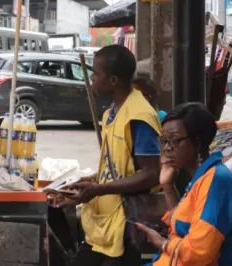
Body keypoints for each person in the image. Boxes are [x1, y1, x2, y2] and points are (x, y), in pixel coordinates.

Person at [52, 45, 162, 266]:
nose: (92, 79)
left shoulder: (139, 116)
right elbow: (120, 167)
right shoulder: (111, 112)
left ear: (113, 80)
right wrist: (92, 180)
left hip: (127, 224)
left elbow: (152, 175)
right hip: (105, 222)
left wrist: (98, 189)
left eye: (96, 74)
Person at [137, 103, 232, 266]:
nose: (167, 148)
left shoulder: (217, 182)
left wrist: (161, 243)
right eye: (164, 141)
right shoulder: (201, 178)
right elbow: (184, 229)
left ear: (197, 142)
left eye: (174, 140)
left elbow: (198, 253)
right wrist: (167, 186)